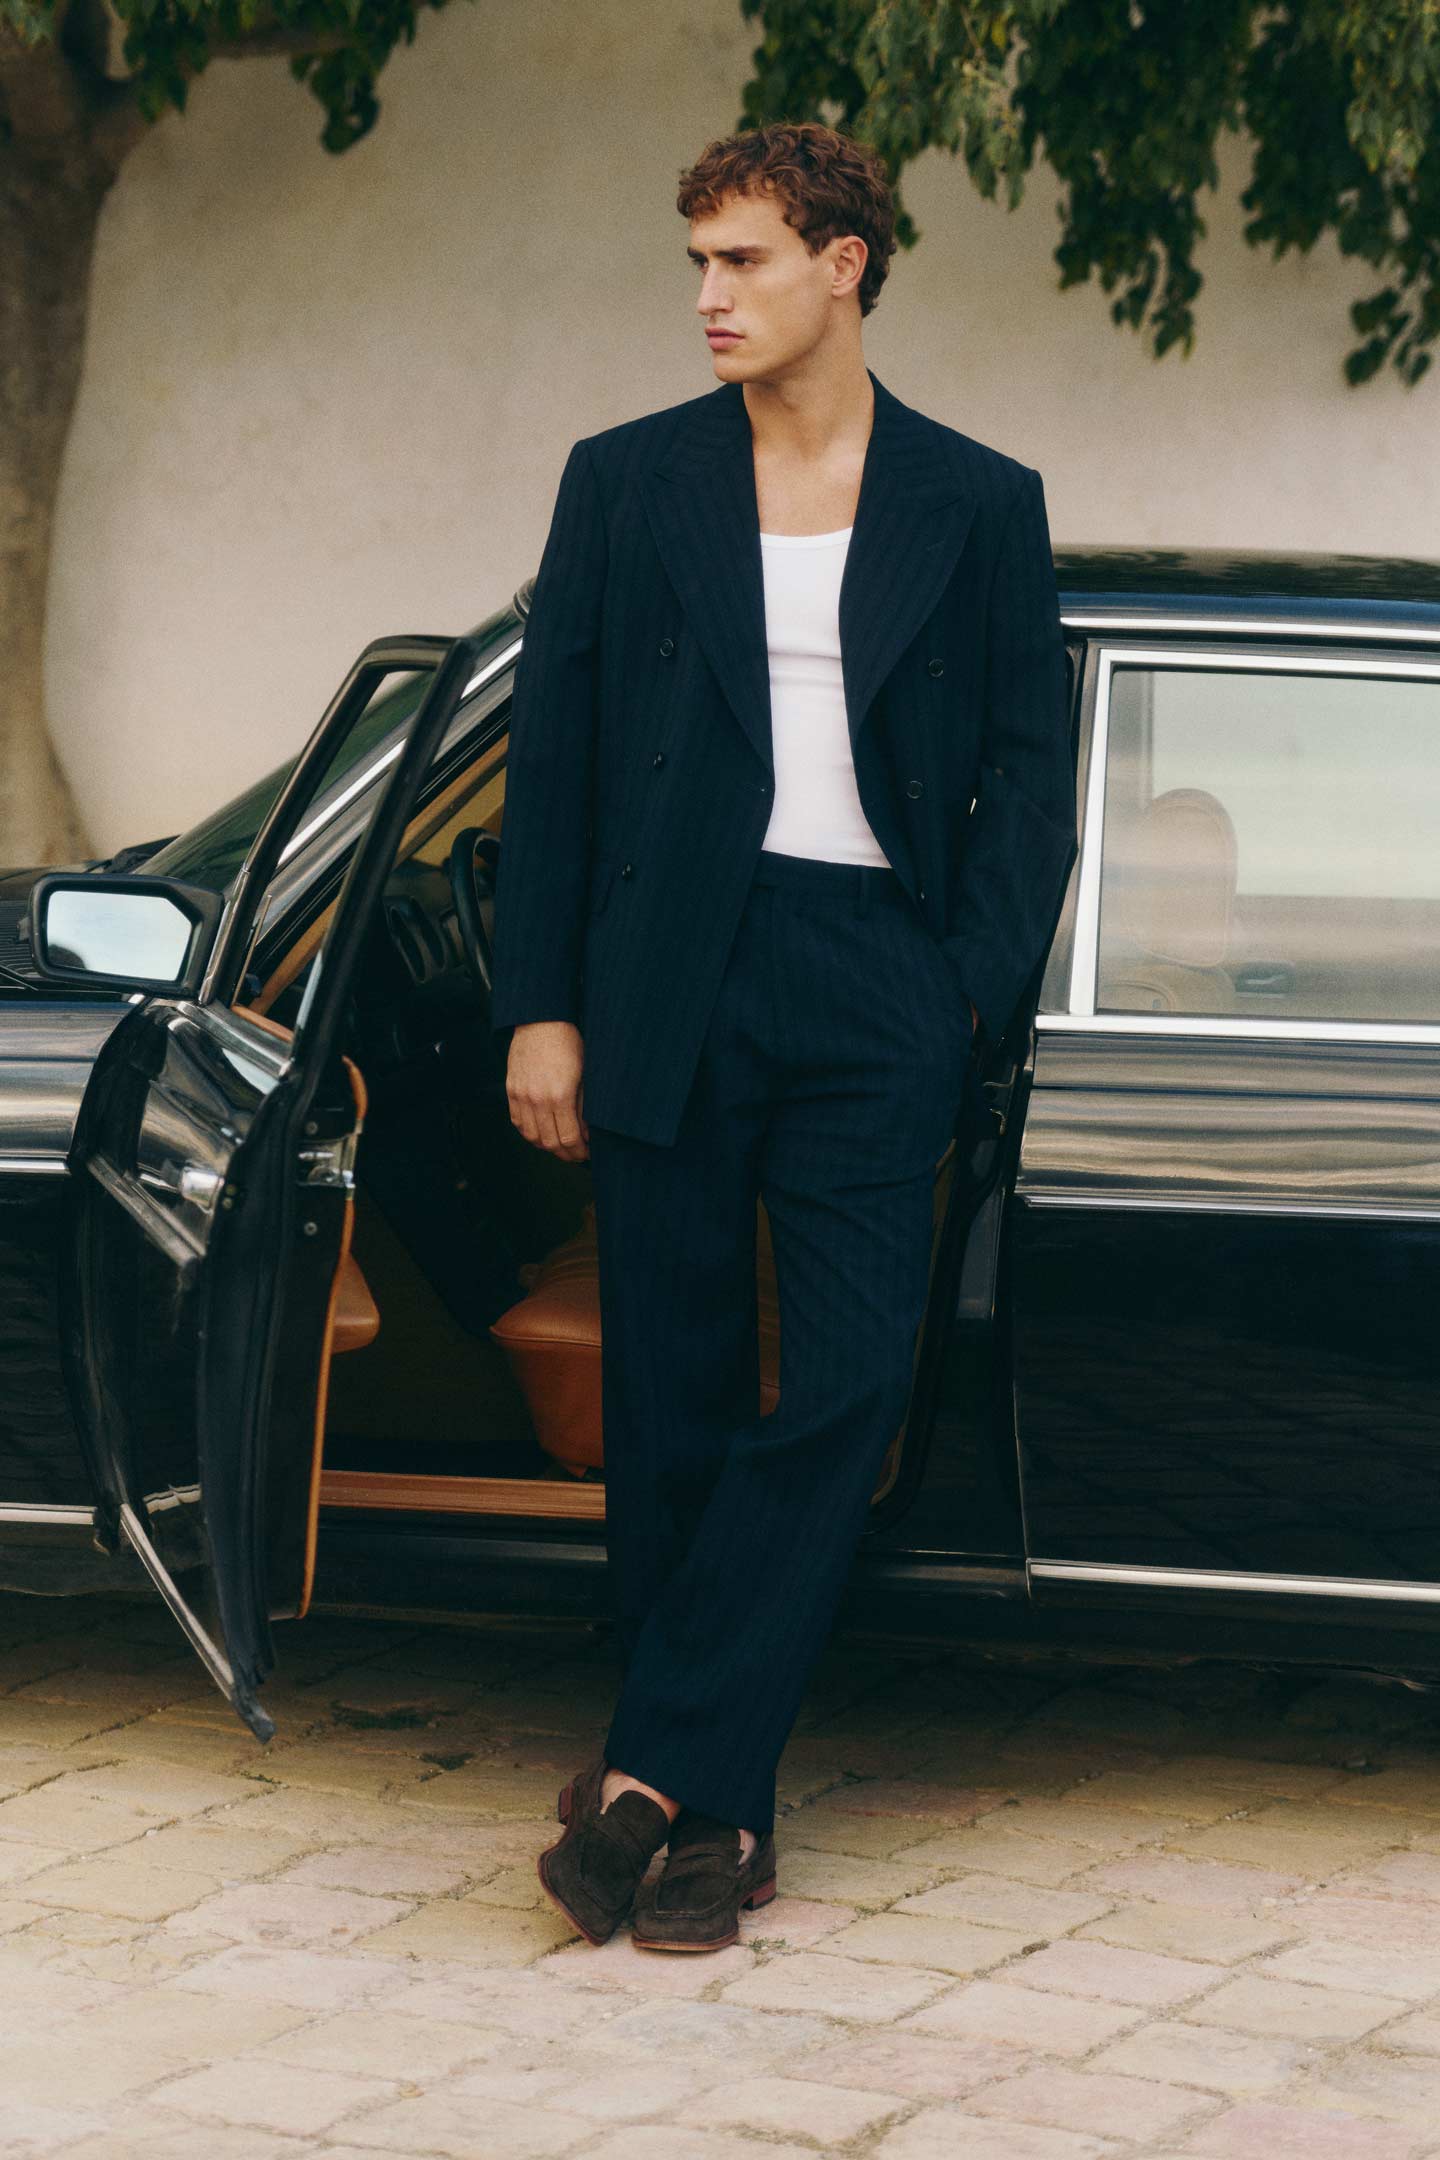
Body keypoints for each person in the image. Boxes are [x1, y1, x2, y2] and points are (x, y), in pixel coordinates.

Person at [488, 120, 1076, 1953]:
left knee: (838, 1386)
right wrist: (546, 1010)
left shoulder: (975, 501)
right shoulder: (628, 481)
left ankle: (653, 1763)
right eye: (697, 265)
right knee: (666, 1393)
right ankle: (714, 1825)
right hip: (672, 965)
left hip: (872, 977)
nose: (708, 298)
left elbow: (1026, 783)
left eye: (742, 261)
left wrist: (958, 986)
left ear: (847, 264)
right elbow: (557, 770)